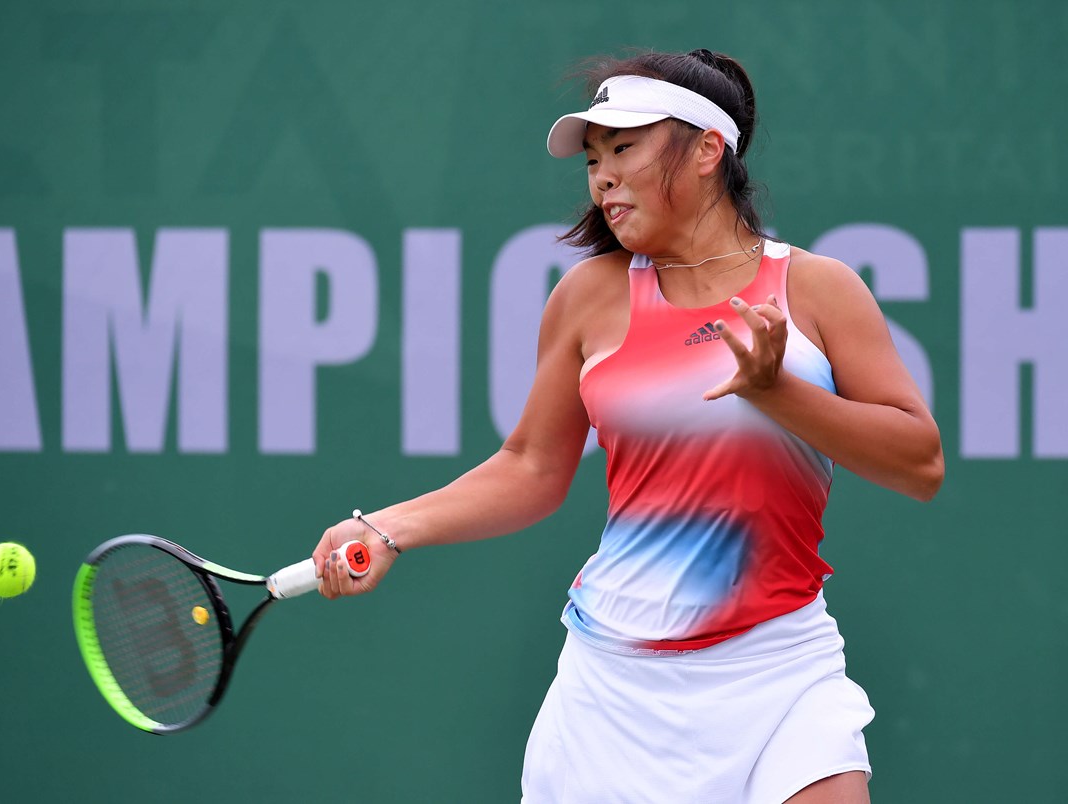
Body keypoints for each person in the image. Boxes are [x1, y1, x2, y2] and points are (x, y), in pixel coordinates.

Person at [311, 48, 944, 803]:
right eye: (591, 159)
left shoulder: (817, 290)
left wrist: (778, 394)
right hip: (614, 691)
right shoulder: (588, 298)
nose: (602, 175)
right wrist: (387, 528)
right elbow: (531, 467)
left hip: (781, 669)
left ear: (709, 149)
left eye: (624, 148)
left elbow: (920, 463)